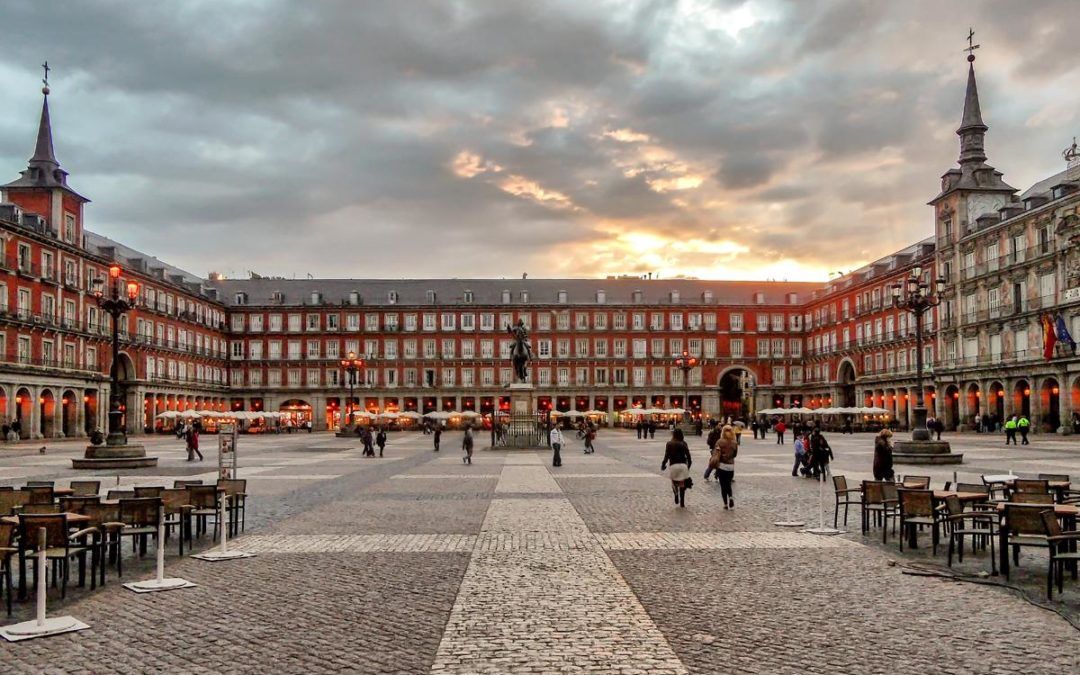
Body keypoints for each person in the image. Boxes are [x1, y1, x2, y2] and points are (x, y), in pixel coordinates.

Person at [661, 428, 692, 508]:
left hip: (673, 465)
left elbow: (666, 456)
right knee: (682, 484)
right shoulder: (684, 443)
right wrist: (688, 466)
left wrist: (663, 464)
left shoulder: (669, 443)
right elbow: (688, 456)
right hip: (682, 465)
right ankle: (682, 502)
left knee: (674, 482)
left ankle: (675, 493)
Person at [714, 425, 738, 509]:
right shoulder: (734, 442)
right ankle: (730, 497)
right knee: (728, 483)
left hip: (722, 466)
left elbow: (715, 453)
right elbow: (735, 455)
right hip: (731, 466)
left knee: (723, 485)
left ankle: (725, 504)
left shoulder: (719, 442)